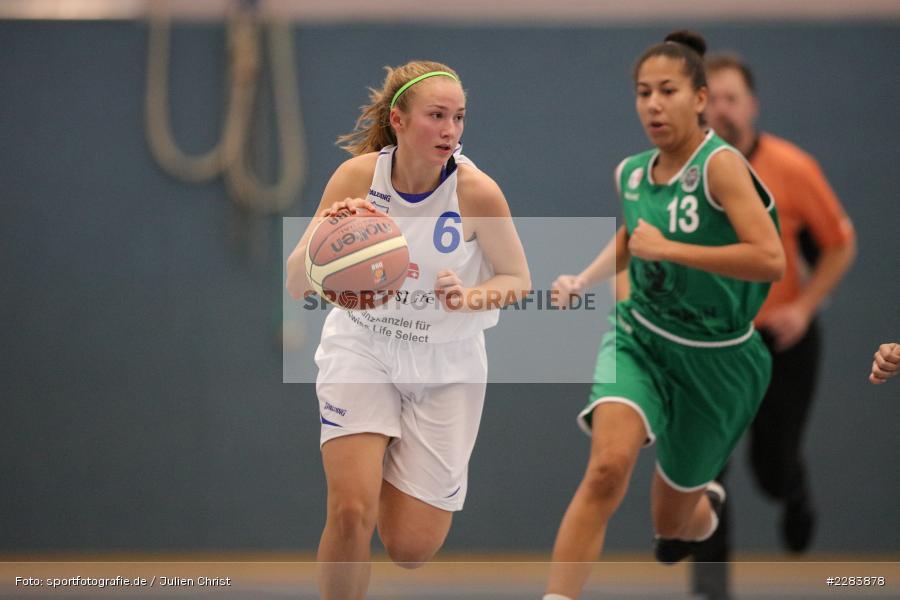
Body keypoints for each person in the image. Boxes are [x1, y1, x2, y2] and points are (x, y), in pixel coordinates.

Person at [542, 31, 784, 600]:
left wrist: (672, 249)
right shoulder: (630, 173)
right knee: (606, 470)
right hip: (641, 339)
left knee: (673, 525)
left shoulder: (720, 168)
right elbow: (634, 237)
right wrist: (584, 277)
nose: (653, 103)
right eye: (643, 92)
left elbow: (770, 259)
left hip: (718, 361)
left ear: (700, 98)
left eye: (667, 90)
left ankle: (703, 507)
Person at [284, 61, 530, 600]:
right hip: (364, 345)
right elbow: (296, 283)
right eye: (437, 116)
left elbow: (517, 278)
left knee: (410, 547)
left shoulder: (477, 192)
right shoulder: (357, 178)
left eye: (459, 118)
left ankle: (399, 462)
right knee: (350, 509)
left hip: (447, 360)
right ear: (398, 119)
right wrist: (332, 233)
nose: (451, 130)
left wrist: (471, 296)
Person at [683, 50, 859, 599]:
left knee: (770, 466)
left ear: (752, 105)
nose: (722, 111)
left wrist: (804, 308)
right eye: (712, 100)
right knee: (706, 475)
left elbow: (839, 244)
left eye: (733, 98)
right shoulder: (677, 172)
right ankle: (712, 590)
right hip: (710, 344)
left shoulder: (793, 168)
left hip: (780, 341)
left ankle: (793, 488)